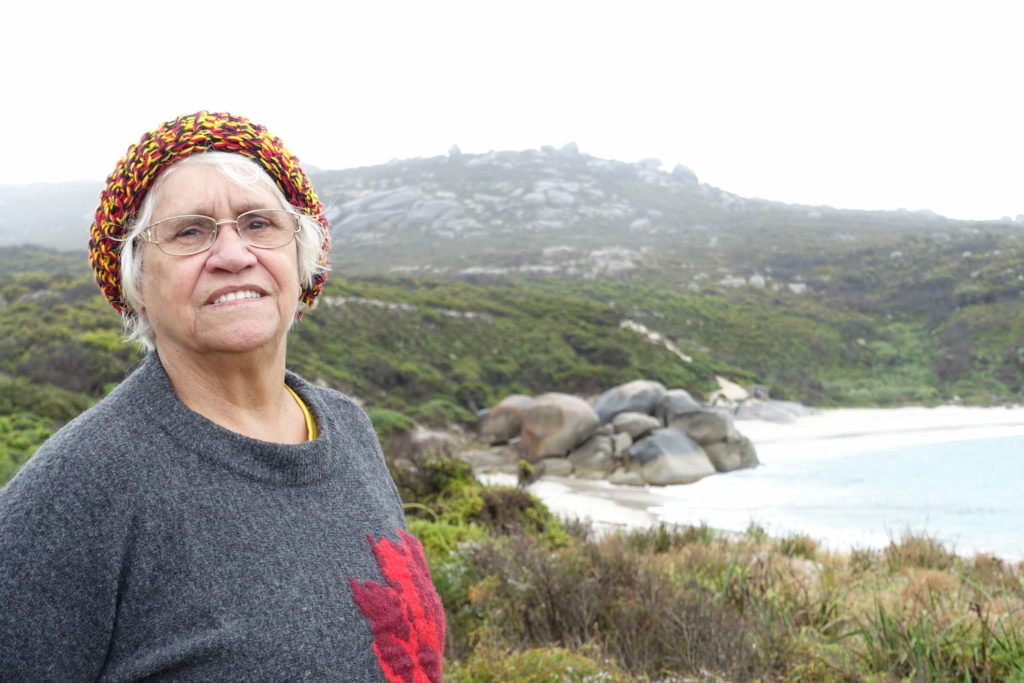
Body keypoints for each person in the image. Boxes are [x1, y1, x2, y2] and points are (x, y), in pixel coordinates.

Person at [0, 112, 445, 681]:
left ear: (302, 259)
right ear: (136, 282)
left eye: (259, 224)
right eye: (190, 232)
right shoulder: (78, 491)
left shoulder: (346, 426)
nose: (233, 254)